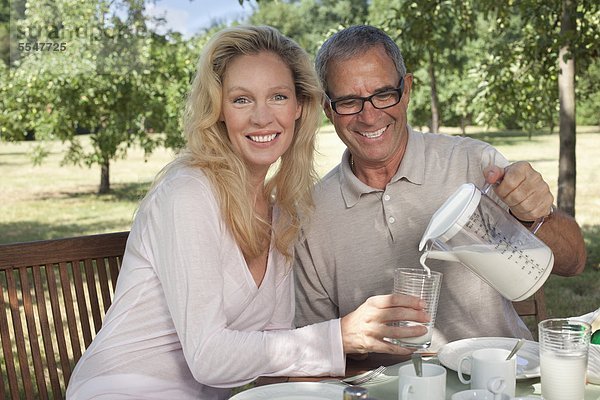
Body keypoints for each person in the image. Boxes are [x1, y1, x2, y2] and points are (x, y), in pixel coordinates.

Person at [66, 25, 430, 400]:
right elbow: (208, 357)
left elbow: (274, 347)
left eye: (277, 97)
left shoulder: (283, 215)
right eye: (241, 99)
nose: (261, 117)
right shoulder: (188, 192)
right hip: (122, 389)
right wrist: (338, 335)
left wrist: (355, 374)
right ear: (218, 110)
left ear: (299, 108)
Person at [294, 25, 587, 352]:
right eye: (349, 101)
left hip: (499, 377)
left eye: (383, 94)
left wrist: (537, 215)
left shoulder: (473, 164)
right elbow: (315, 352)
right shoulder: (311, 214)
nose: (369, 115)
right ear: (328, 108)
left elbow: (573, 263)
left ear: (405, 90)